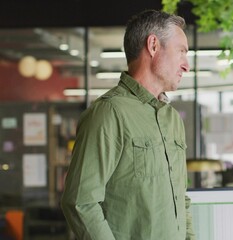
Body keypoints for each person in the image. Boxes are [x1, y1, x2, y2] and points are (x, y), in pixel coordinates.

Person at [61, 9, 195, 240]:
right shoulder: (108, 113)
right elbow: (81, 202)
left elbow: (180, 199)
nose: (186, 65)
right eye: (181, 51)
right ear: (153, 46)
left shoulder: (172, 119)